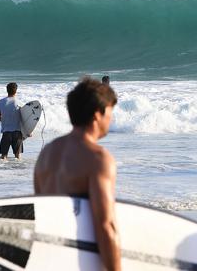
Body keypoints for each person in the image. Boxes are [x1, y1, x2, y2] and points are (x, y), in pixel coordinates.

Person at [34, 78, 121, 271]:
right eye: (110, 112)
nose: (111, 119)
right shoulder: (98, 159)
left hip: (50, 262)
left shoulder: (46, 154)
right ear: (98, 114)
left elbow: (42, 218)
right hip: (80, 263)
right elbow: (105, 226)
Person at [0, 83, 23, 160]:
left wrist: (6, 121)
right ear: (16, 91)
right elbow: (24, 118)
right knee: (18, 156)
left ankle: (2, 170)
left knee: (3, 156)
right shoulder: (19, 102)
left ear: (7, 90)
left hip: (6, 132)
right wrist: (29, 130)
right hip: (17, 133)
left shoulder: (0, 102)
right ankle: (19, 171)